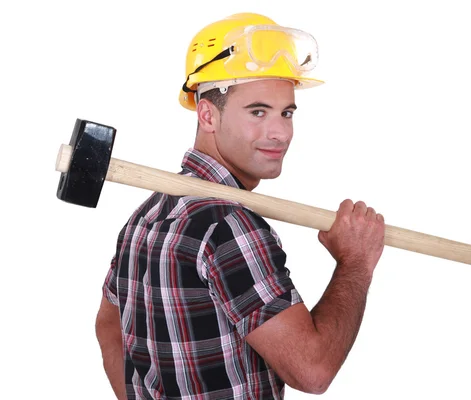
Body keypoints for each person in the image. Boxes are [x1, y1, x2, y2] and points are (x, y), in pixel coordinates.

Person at [95, 12, 386, 399]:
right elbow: (313, 371)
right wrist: (356, 263)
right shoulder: (228, 225)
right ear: (207, 114)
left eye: (286, 113)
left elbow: (109, 330)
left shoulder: (146, 216)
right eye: (257, 111)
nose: (280, 132)